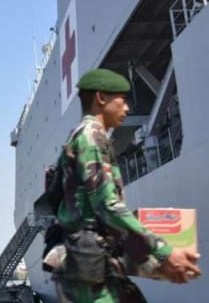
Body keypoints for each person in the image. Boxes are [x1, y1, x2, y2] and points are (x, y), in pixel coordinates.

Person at [52, 69, 201, 302]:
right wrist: (164, 251)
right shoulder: (91, 136)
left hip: (97, 262)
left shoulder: (89, 135)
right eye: (122, 100)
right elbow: (107, 205)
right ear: (101, 98)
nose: (127, 108)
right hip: (89, 266)